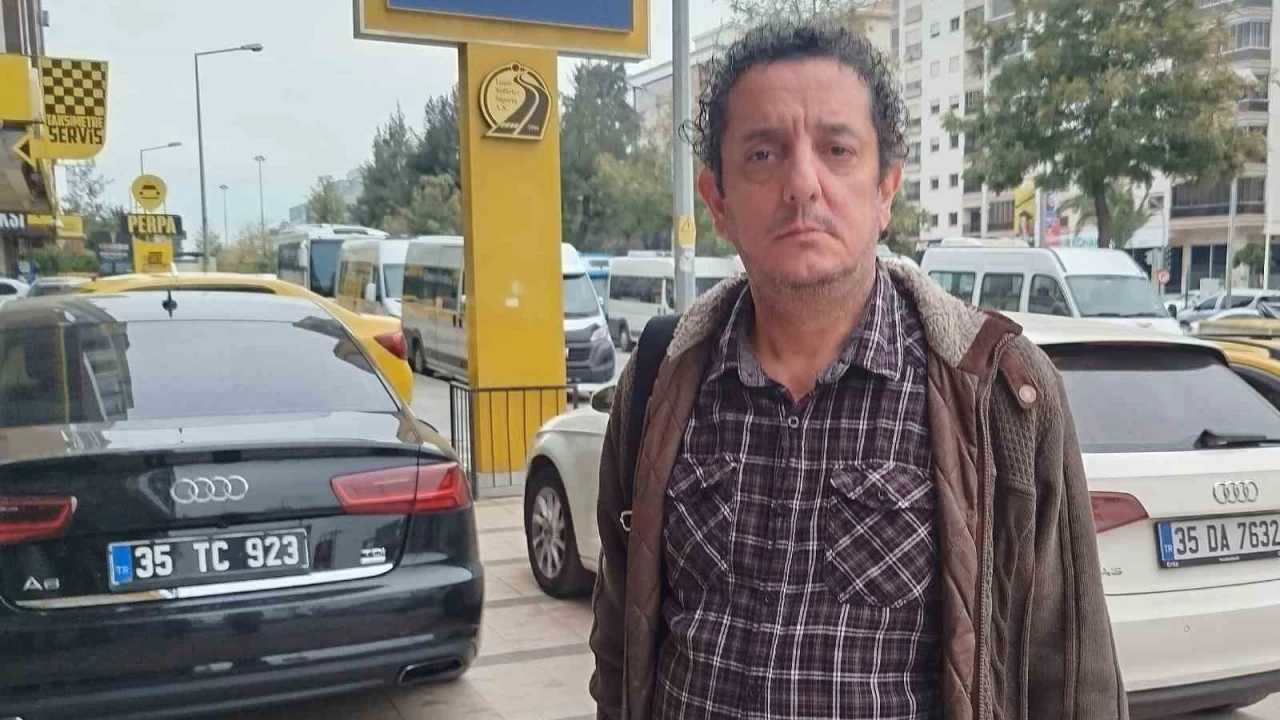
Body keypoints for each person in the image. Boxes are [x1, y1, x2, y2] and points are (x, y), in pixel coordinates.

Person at [588, 22, 1126, 720]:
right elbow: (619, 644)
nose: (801, 185)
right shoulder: (660, 380)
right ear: (717, 200)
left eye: (837, 150)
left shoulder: (1000, 393)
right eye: (762, 154)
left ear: (885, 191)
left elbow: (1072, 672)